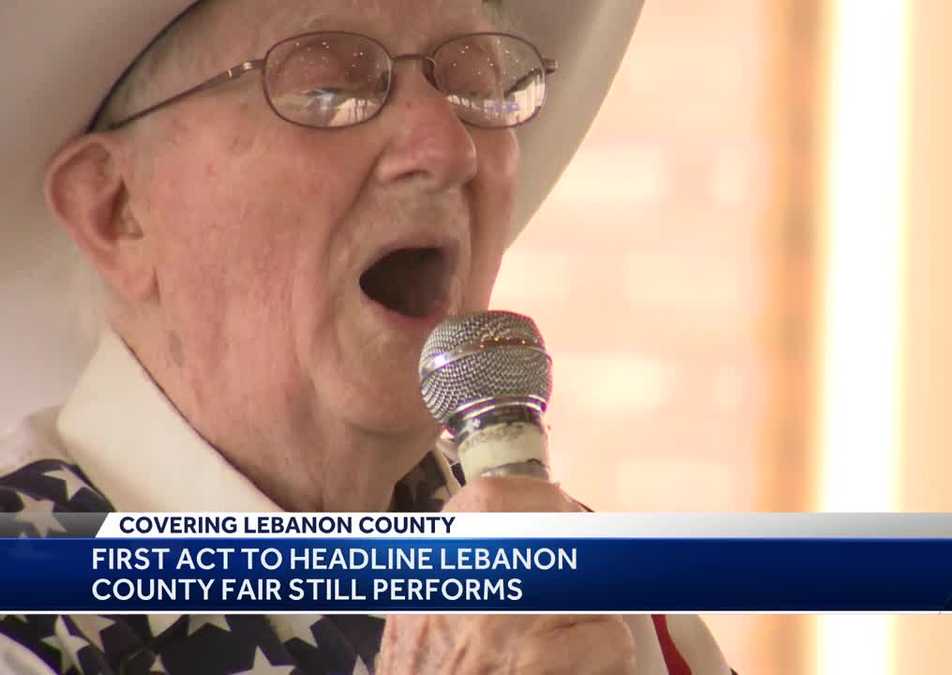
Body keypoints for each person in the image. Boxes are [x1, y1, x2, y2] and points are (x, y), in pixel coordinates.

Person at [0, 0, 731, 673]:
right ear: (117, 209)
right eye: (329, 87)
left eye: (475, 84)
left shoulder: (609, 606)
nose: (451, 149)